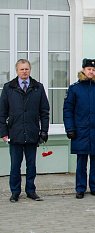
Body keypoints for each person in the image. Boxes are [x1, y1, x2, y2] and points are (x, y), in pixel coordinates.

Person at [0, 59, 50, 203]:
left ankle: (31, 191)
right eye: (21, 69)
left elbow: (44, 112)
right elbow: (2, 113)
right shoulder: (9, 88)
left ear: (30, 70)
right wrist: (3, 132)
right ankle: (15, 192)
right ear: (17, 70)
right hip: (14, 134)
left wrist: (44, 131)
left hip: (32, 133)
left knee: (31, 165)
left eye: (27, 69)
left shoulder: (38, 87)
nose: (24, 72)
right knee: (15, 165)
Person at [63, 58, 95, 199]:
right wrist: (70, 129)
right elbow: (68, 110)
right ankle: (80, 188)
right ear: (83, 70)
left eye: (94, 70)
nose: (91, 71)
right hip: (80, 131)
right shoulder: (74, 89)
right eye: (89, 69)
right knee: (81, 161)